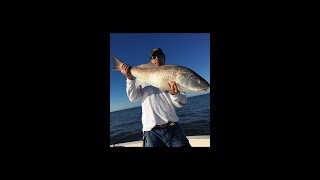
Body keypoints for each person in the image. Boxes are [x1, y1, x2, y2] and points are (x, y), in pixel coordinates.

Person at [120, 48, 191, 147]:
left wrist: (175, 95)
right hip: (151, 133)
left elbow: (181, 103)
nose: (157, 58)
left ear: (164, 58)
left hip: (173, 129)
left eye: (159, 56)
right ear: (151, 61)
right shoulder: (141, 77)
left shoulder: (173, 74)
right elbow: (133, 98)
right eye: (154, 57)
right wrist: (129, 78)